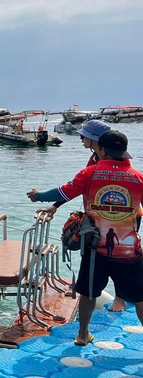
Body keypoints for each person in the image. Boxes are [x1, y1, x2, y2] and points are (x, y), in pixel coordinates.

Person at [27, 130, 143, 346]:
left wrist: (39, 196)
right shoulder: (139, 178)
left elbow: (63, 192)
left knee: (89, 293)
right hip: (128, 250)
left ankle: (82, 335)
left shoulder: (91, 173)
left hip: (94, 248)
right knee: (139, 297)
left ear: (102, 150)